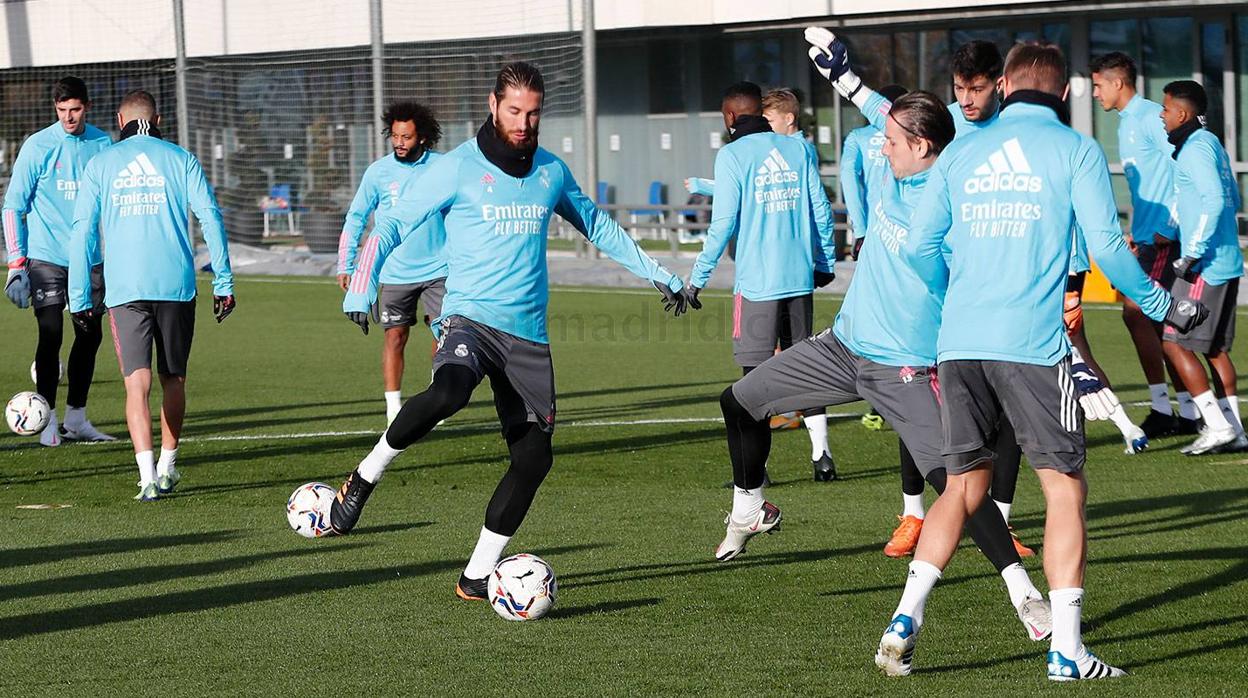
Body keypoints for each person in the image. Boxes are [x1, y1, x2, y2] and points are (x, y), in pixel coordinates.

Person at [847, 39, 1207, 680]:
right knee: (1064, 490)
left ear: (1005, 87)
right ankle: (1066, 651)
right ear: (1065, 93)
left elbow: (922, 244)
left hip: (957, 347)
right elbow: (1106, 247)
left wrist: (957, 295)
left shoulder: (960, 151)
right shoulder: (1075, 149)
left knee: (961, 488)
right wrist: (1162, 303)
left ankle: (905, 619)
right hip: (1033, 350)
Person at [715, 57, 1054, 642]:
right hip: (843, 347)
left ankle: (1025, 595)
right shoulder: (899, 169)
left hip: (904, 369)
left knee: (957, 489)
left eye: (892, 141)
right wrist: (842, 75)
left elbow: (992, 277)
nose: (880, 146)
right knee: (739, 400)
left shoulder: (954, 209)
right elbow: (878, 111)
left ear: (922, 146)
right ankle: (750, 505)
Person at [332, 62, 695, 601]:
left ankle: (477, 573)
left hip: (527, 337)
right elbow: (389, 226)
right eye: (514, 111)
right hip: (469, 318)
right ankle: (365, 477)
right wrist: (360, 287)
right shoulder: (455, 167)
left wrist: (661, 274)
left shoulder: (550, 171)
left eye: (533, 113)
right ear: (492, 105)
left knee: (534, 460)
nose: (524, 123)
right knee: (451, 389)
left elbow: (598, 226)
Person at [68, 90, 235, 502]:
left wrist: (79, 295)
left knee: (136, 384)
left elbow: (81, 232)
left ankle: (146, 479)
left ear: (120, 119)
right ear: (157, 118)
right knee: (173, 379)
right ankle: (167, 466)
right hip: (176, 284)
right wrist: (224, 281)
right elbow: (210, 217)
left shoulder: (101, 163)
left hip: (125, 288)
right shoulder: (181, 159)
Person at [686, 82, 838, 483]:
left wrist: (697, 279)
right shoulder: (798, 149)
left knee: (755, 380)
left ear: (732, 117)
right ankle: (822, 456)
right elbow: (819, 206)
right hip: (798, 279)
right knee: (808, 369)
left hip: (757, 287)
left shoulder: (732, 154)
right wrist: (823, 260)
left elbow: (722, 224)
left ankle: (759, 469)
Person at [1090, 52, 1199, 438]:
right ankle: (1183, 409)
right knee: (1149, 319)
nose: (1094, 93)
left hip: (1167, 239)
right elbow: (1144, 188)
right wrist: (1135, 235)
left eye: (1098, 84)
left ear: (1118, 83)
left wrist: (1171, 224)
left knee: (1141, 315)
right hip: (1147, 240)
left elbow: (1183, 166)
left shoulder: (1152, 116)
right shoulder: (1125, 124)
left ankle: (1178, 408)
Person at [3, 76, 114, 446]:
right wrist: (16, 265)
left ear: (87, 107)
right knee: (50, 333)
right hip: (47, 257)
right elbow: (12, 207)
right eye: (63, 110)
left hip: (90, 258)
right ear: (55, 108)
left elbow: (110, 206)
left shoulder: (102, 143)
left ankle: (77, 419)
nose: (69, 117)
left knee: (90, 334)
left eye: (76, 109)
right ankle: (47, 419)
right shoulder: (38, 146)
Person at [337, 101, 448, 425]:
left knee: (445, 335)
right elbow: (356, 217)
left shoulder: (443, 168)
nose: (400, 142)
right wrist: (347, 265)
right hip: (395, 271)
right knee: (395, 336)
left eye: (407, 137)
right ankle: (393, 407)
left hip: (440, 269)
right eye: (395, 136)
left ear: (423, 138)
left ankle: (437, 396)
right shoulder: (379, 172)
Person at [1159, 80, 1246, 454]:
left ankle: (1215, 424)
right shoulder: (1210, 144)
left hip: (1204, 266)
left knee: (1173, 341)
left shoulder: (1195, 148)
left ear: (1182, 114)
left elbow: (1212, 200)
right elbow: (1233, 196)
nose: (1161, 116)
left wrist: (1191, 252)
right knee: (1212, 349)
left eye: (1164, 110)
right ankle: (1236, 430)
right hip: (1225, 262)